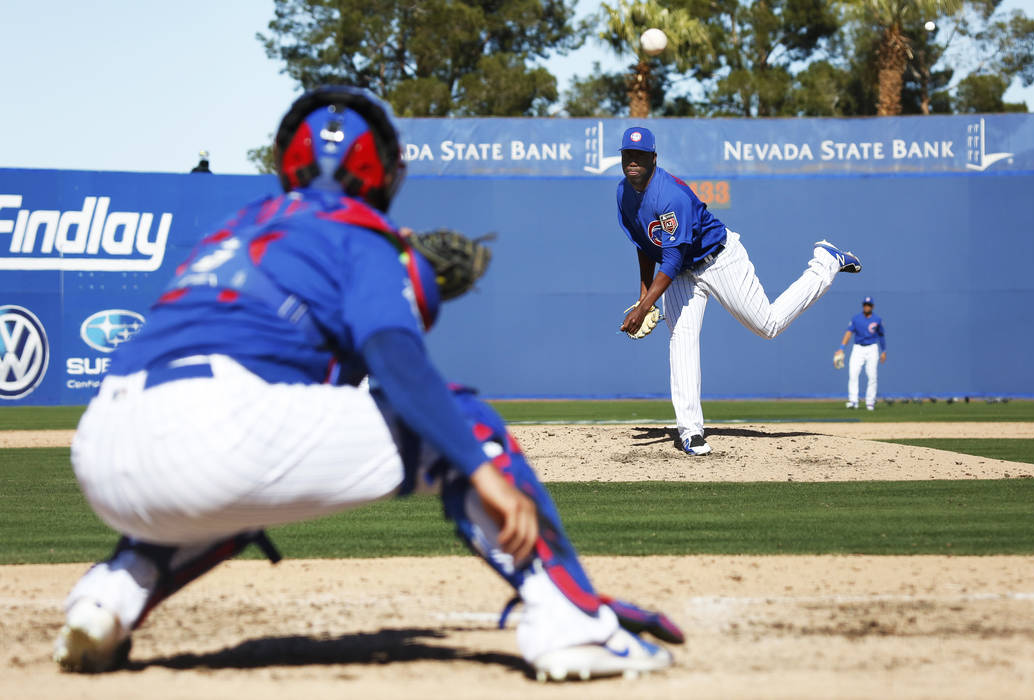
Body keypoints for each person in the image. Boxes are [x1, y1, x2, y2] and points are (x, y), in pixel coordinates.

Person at [53, 87, 681, 682]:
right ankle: (573, 624)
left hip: (105, 450)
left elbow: (316, 366)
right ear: (382, 168)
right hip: (222, 429)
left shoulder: (236, 229)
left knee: (231, 495)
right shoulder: (359, 231)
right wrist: (481, 469)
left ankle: (109, 596)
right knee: (463, 420)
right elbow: (392, 356)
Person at [617, 127, 862, 456]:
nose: (633, 162)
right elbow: (646, 246)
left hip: (718, 259)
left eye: (640, 156)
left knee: (768, 325)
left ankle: (825, 264)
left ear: (653, 158)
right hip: (684, 274)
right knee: (682, 340)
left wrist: (645, 306)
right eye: (628, 156)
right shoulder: (624, 194)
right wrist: (644, 291)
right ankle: (690, 432)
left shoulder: (669, 194)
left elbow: (672, 259)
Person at [837, 296, 886, 410]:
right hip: (858, 348)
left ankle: (870, 402)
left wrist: (884, 351)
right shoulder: (856, 319)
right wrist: (841, 347)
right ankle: (853, 401)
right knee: (853, 373)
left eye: (868, 305)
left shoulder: (877, 319)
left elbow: (881, 336)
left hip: (872, 348)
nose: (866, 307)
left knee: (872, 375)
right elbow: (849, 333)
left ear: (872, 306)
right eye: (865, 304)